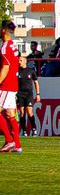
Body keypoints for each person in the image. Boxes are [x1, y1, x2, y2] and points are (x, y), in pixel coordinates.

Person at [0, 21, 22, 153]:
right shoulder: (13, 46)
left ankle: (9, 140)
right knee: (10, 114)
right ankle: (17, 145)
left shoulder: (5, 47)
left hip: (6, 85)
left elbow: (5, 67)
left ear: (3, 30)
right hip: (13, 85)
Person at [17, 44, 40, 136]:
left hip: (29, 94)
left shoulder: (31, 71)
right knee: (22, 112)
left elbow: (36, 82)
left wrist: (38, 94)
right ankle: (24, 131)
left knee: (29, 112)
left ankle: (34, 129)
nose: (19, 62)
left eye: (21, 60)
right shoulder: (17, 71)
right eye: (18, 60)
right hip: (20, 94)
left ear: (25, 61)